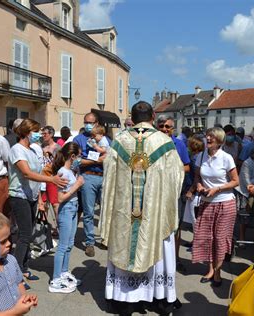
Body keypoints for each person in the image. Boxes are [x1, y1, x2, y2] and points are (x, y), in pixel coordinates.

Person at [100, 101, 184, 315]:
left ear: (132, 117)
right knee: (154, 245)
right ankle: (157, 298)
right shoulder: (164, 142)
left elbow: (109, 178)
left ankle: (124, 301)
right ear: (153, 116)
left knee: (125, 245)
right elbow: (177, 177)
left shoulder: (119, 141)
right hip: (152, 213)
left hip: (124, 213)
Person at [8, 119, 67, 288]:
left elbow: (37, 174)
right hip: (19, 196)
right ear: (27, 132)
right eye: (36, 131)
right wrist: (52, 180)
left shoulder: (33, 150)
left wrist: (40, 199)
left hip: (31, 196)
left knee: (29, 233)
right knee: (24, 235)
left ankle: (25, 267)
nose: (39, 134)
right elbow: (26, 173)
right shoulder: (17, 150)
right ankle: (16, 273)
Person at [191, 127, 239, 286]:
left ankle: (218, 271)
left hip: (225, 203)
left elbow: (235, 181)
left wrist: (217, 189)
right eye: (207, 136)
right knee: (206, 237)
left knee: (219, 238)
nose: (208, 139)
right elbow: (197, 176)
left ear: (219, 140)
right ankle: (210, 269)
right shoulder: (201, 156)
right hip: (206, 202)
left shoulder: (226, 158)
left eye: (211, 137)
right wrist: (199, 186)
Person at [48, 142, 85, 294]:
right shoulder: (63, 172)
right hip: (66, 210)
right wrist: (77, 185)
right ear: (72, 156)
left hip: (73, 209)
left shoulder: (70, 171)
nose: (80, 159)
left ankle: (63, 272)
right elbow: (61, 198)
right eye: (79, 156)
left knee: (69, 243)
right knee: (63, 246)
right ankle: (56, 279)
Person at [157, 115, 190, 271]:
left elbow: (187, 167)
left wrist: (170, 170)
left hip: (175, 193)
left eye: (167, 127)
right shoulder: (152, 143)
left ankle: (175, 259)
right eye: (162, 126)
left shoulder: (179, 144)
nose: (164, 129)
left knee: (175, 227)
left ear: (173, 129)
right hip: (156, 193)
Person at [74, 112, 107, 257]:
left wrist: (101, 159)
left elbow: (111, 156)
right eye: (85, 122)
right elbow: (76, 160)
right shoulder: (78, 139)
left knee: (106, 211)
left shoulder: (106, 139)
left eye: (91, 122)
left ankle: (106, 239)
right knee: (88, 212)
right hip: (88, 176)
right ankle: (90, 243)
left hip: (104, 176)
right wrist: (96, 161)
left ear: (97, 123)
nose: (88, 125)